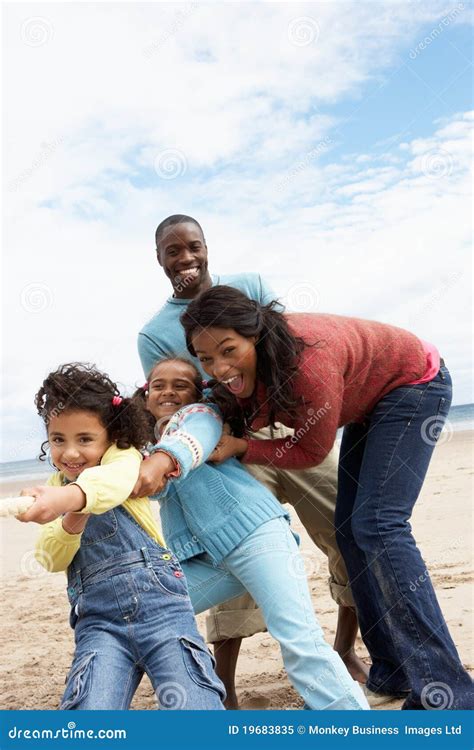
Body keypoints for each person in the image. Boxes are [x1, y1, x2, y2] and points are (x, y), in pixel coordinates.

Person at [180, 284, 474, 711]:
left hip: (414, 384)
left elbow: (310, 451)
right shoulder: (246, 372)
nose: (219, 367)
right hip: (369, 400)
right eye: (206, 358)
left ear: (256, 335)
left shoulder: (307, 363)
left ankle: (448, 692)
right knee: (349, 531)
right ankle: (392, 673)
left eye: (228, 350)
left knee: (379, 526)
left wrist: (242, 447)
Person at [138, 214, 368, 707]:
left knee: (344, 526)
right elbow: (176, 405)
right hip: (226, 441)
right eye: (172, 252)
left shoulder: (250, 287)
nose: (186, 258)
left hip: (291, 428)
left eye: (192, 246)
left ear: (206, 246)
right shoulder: (154, 333)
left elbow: (285, 353)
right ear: (158, 260)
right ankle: (226, 686)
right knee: (236, 542)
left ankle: (346, 648)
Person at [131, 357, 370, 711]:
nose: (168, 391)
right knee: (137, 613)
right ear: (145, 395)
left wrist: (160, 460)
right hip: (209, 560)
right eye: (158, 385)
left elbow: (190, 443)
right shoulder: (147, 448)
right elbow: (155, 489)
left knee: (300, 645)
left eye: (180, 385)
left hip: (257, 538)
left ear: (198, 393)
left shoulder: (201, 417)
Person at [18, 363, 225, 711]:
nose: (70, 453)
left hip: (163, 611)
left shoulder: (123, 460)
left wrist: (67, 500)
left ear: (110, 437)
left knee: (196, 710)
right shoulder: (54, 488)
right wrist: (71, 517)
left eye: (84, 439)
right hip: (99, 624)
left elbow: (112, 485)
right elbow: (50, 558)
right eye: (58, 440)